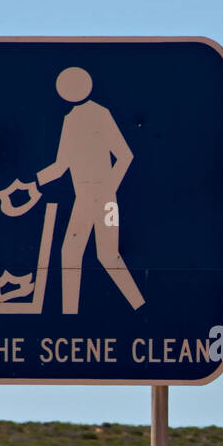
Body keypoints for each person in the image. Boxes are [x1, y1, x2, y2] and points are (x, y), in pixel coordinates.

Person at [36, 66, 145, 314]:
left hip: (105, 199)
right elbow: (62, 166)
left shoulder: (100, 114)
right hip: (84, 199)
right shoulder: (70, 119)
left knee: (107, 255)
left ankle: (140, 306)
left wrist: (108, 189)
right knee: (71, 253)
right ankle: (70, 316)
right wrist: (36, 182)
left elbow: (125, 156)